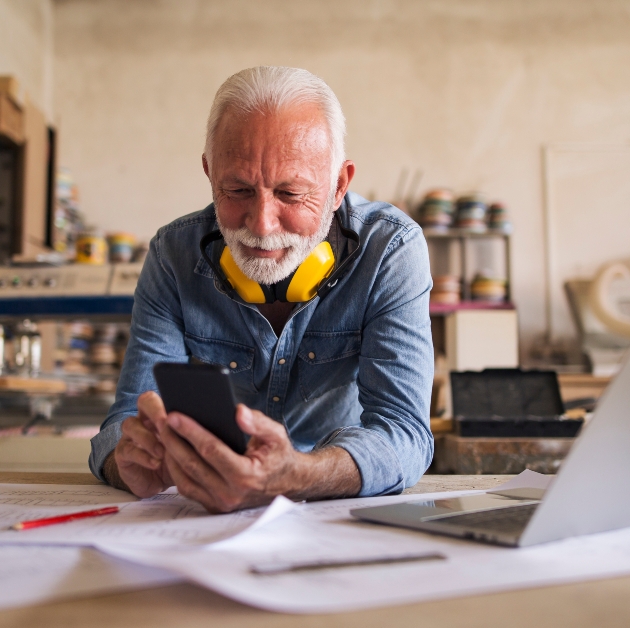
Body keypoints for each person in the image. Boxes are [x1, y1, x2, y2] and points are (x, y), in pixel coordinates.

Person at [89, 66, 434, 513]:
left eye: (290, 194)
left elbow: (405, 432)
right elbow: (126, 423)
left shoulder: (391, 249)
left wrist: (300, 474)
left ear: (338, 187)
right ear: (210, 173)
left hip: (330, 504)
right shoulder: (173, 254)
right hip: (199, 510)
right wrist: (126, 461)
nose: (261, 225)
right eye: (237, 189)